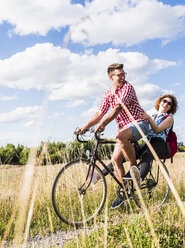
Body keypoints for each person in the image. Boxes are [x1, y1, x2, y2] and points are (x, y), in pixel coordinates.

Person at [76, 63, 149, 209]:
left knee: (120, 136)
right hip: (124, 128)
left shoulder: (127, 87)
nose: (122, 77)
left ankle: (135, 170)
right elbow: (100, 113)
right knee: (115, 160)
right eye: (119, 75)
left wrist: (103, 124)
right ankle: (125, 193)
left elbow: (117, 108)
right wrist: (85, 126)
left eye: (124, 74)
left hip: (139, 123)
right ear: (111, 77)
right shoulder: (109, 93)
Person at [136, 94, 178, 181]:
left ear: (170, 108)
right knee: (129, 153)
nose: (166, 104)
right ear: (160, 102)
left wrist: (148, 118)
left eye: (169, 103)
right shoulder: (153, 116)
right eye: (164, 101)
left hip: (159, 143)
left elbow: (157, 130)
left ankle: (137, 181)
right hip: (148, 142)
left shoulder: (169, 118)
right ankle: (101, 174)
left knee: (146, 155)